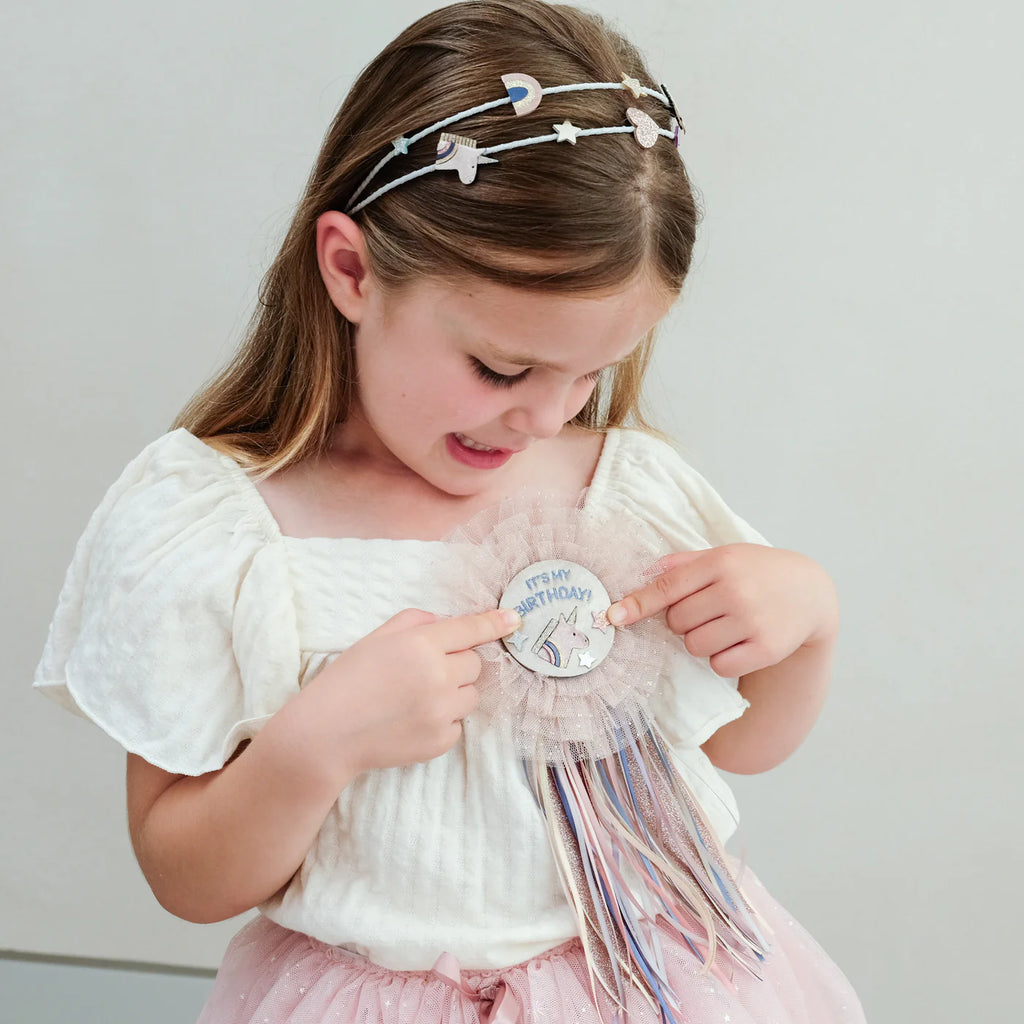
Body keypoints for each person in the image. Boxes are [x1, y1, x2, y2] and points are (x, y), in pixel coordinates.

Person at [34, 2, 867, 1021]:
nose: (546, 417)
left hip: (660, 984)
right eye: (501, 368)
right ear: (350, 270)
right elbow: (187, 878)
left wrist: (808, 626)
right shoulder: (224, 530)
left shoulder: (627, 490)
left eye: (588, 374)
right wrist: (315, 747)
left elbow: (739, 748)